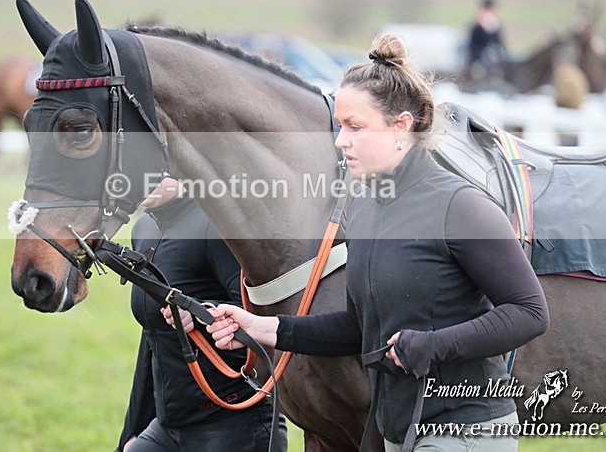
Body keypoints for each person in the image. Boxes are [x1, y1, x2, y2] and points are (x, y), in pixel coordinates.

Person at [201, 35, 550, 451]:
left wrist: (434, 345)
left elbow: (530, 312)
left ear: (401, 126)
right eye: (340, 125)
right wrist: (261, 327)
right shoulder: (363, 207)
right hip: (396, 430)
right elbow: (357, 327)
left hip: (465, 431)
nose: (340, 140)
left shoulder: (460, 205)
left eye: (355, 127)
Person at [118, 177, 287, 452]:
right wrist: (134, 431)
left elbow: (261, 318)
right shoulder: (144, 228)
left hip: (234, 425)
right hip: (168, 428)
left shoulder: (217, 226)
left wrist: (198, 314)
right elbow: (151, 340)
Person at [465, 0, 508, 84]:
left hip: (494, 56)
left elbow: (499, 40)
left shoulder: (495, 22)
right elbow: (473, 43)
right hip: (479, 56)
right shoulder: (477, 24)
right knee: (478, 72)